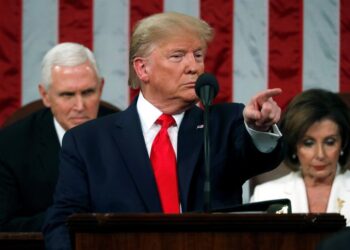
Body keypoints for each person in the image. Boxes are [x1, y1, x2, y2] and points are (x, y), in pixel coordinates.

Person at [43, 12, 284, 249]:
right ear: (142, 69)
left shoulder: (224, 124)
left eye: (198, 55)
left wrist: (258, 127)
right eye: (178, 56)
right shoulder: (88, 142)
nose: (194, 67)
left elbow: (259, 158)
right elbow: (63, 222)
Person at [0, 42, 117, 232]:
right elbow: (4, 226)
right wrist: (71, 217)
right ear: (45, 95)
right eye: (67, 95)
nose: (79, 106)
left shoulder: (126, 132)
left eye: (88, 92)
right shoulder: (9, 146)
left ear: (101, 87)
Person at [251, 88, 350, 226]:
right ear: (294, 146)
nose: (320, 155)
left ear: (343, 143)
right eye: (308, 143)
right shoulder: (266, 195)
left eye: (330, 142)